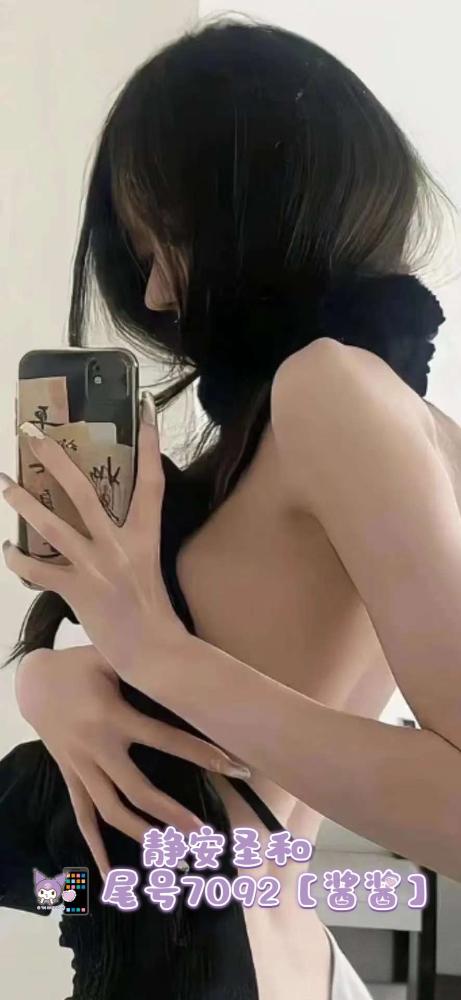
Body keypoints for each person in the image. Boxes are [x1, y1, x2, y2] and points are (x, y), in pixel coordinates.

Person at [1, 15, 460, 1000]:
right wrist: (45, 678)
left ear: (264, 208)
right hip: (245, 920)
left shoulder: (325, 391)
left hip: (199, 931)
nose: (159, 293)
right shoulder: (391, 427)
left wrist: (157, 655)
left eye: (167, 240)